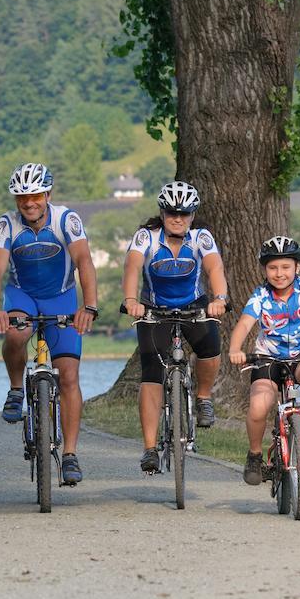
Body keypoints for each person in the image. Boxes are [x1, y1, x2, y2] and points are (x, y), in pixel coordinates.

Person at [0, 162, 98, 485]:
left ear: (47, 193)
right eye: (22, 198)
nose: (29, 203)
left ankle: (71, 454)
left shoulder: (66, 220)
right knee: (18, 332)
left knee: (69, 377)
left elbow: (84, 261)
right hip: (22, 296)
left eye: (34, 196)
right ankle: (17, 389)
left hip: (61, 297)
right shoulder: (6, 225)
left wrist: (89, 306)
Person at [121, 181, 229, 472]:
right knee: (152, 373)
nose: (177, 218)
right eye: (171, 213)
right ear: (162, 213)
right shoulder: (147, 237)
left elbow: (214, 267)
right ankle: (149, 448)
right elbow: (132, 266)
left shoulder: (200, 237)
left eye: (184, 213)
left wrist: (219, 298)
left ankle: (203, 397)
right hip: (154, 309)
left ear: (192, 215)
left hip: (194, 304)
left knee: (210, 346)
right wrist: (131, 300)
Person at [228, 235, 300, 485]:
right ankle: (254, 455)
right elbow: (244, 323)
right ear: (265, 270)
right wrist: (235, 349)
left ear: (297, 268)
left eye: (285, 267)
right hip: (267, 360)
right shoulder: (261, 295)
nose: (279, 273)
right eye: (272, 267)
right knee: (259, 406)